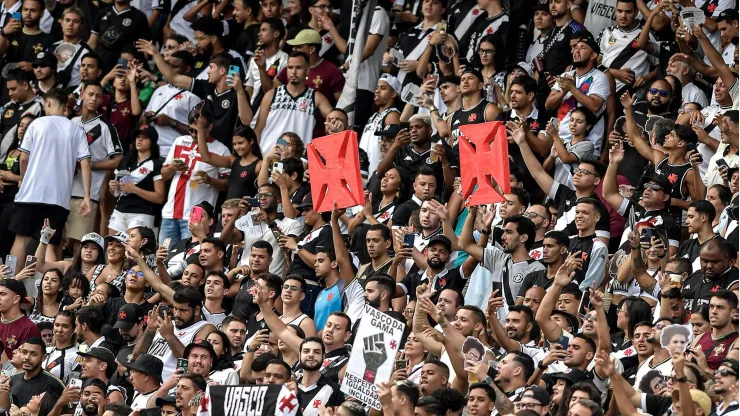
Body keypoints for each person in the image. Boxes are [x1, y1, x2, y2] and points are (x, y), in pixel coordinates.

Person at [8, 88, 92, 263]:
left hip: (30, 194)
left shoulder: (36, 124)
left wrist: (23, 179)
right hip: (58, 198)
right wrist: (86, 196)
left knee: (20, 240)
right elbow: (85, 163)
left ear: (47, 103)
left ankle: (11, 284)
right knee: (49, 244)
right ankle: (44, 290)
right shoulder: (76, 130)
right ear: (64, 107)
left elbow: (24, 158)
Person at [254, 51, 333, 154]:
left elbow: (336, 119)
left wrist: (337, 124)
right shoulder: (271, 94)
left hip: (296, 162)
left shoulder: (316, 98)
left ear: (308, 71)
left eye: (298, 68)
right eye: (290, 67)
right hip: (267, 155)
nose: (293, 72)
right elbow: (258, 129)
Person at [0, 338, 64, 408]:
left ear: (44, 357)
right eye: (24, 352)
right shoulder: (12, 380)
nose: (27, 357)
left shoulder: (55, 383)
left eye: (33, 354)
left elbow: (69, 411)